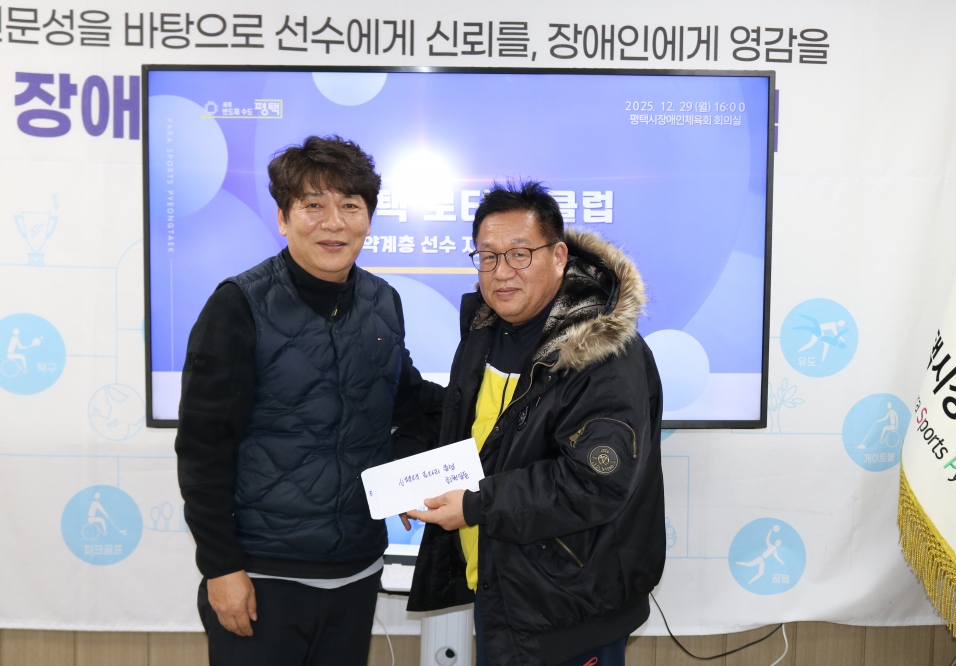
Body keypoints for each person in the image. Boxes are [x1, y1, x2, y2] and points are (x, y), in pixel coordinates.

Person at [175, 135, 443, 666]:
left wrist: (400, 472)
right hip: (263, 574)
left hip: (357, 569)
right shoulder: (238, 305)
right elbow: (204, 447)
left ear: (369, 219)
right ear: (283, 218)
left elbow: (409, 402)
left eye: (350, 206)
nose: (334, 223)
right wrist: (221, 567)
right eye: (313, 205)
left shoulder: (383, 301)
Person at [405, 181, 665, 666]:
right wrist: (421, 485)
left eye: (519, 254)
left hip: (570, 607)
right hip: (504, 592)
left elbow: (593, 483)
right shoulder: (484, 332)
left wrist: (476, 504)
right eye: (487, 256)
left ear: (559, 255)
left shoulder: (602, 352)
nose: (501, 272)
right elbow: (482, 436)